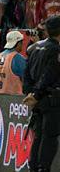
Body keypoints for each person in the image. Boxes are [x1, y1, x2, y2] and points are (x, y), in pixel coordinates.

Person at [23, 16, 60, 171]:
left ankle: (33, 168)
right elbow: (49, 74)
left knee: (38, 137)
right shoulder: (56, 50)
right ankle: (43, 169)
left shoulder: (35, 48)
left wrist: (30, 93)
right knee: (49, 137)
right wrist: (37, 94)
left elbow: (27, 73)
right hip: (50, 99)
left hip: (37, 100)